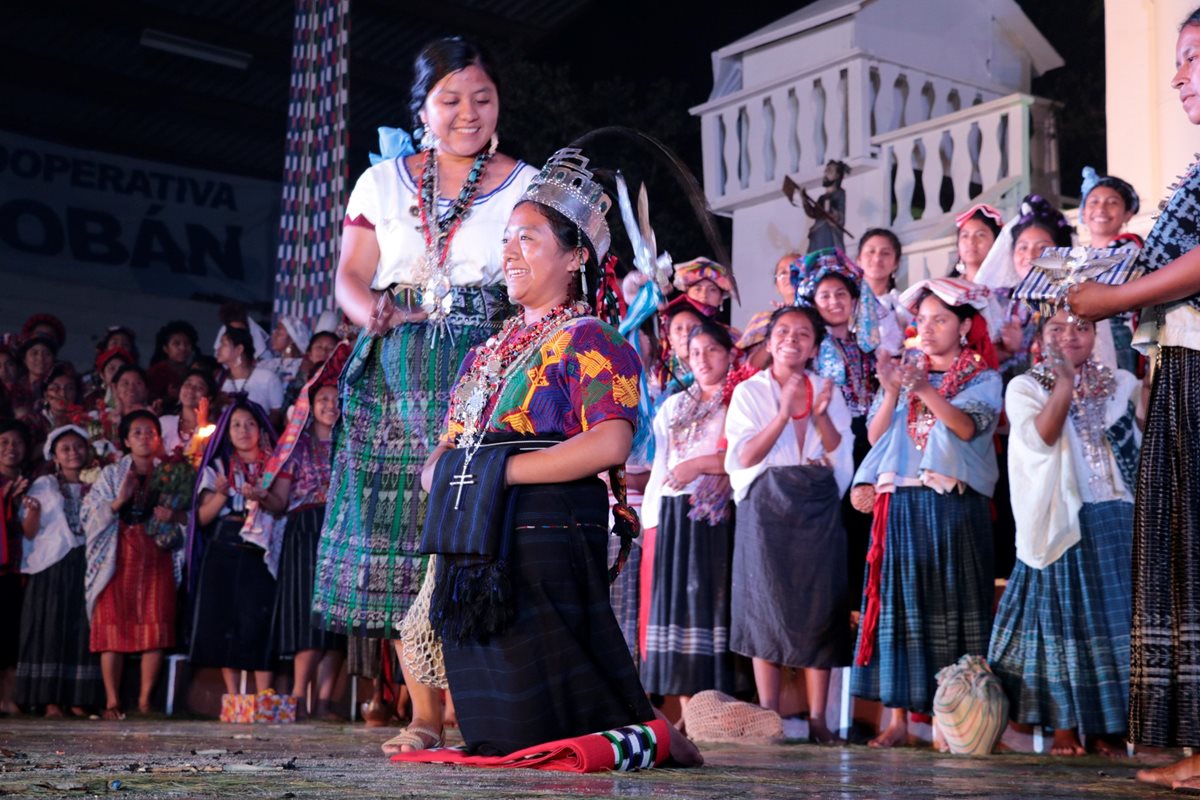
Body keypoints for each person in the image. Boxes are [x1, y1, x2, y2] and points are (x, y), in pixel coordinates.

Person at [416, 147, 700, 765]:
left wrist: (499, 472)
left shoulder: (592, 340)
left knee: (556, 716)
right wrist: (443, 473)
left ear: (575, 258)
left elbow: (610, 442)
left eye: (529, 238)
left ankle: (654, 735)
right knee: (502, 731)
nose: (509, 251)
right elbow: (444, 449)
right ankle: (649, 732)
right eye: (506, 238)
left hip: (540, 532)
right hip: (475, 536)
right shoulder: (484, 352)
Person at [311, 36, 536, 750]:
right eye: (450, 100)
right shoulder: (380, 184)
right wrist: (366, 310)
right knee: (406, 543)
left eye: (481, 97)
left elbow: (537, 272)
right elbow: (352, 275)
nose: (468, 113)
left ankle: (477, 708)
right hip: (399, 371)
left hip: (487, 365)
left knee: (474, 540)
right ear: (422, 108)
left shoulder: (526, 182)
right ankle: (421, 715)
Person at [1066, 9, 1200, 787]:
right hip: (1183, 363)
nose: (1178, 74)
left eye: (1190, 58)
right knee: (1181, 547)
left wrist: (1113, 301)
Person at [850, 277, 1001, 748]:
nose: (928, 329)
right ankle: (898, 721)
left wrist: (923, 389)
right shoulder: (907, 371)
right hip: (905, 498)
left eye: (940, 320)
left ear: (964, 326)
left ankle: (951, 723)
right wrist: (894, 390)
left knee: (954, 606)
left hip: (954, 501)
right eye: (922, 320)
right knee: (903, 606)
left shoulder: (983, 376)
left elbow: (965, 425)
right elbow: (876, 436)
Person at [987, 309, 1138, 756]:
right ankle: (1064, 727)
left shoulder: (1120, 383)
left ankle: (1107, 728)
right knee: (1064, 627)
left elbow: (1135, 453)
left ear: (1096, 336)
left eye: (1082, 327)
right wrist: (1065, 382)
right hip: (1059, 518)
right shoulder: (1025, 386)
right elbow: (1041, 439)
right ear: (1039, 339)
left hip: (1116, 515)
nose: (1071, 335)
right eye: (1057, 328)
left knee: (1114, 630)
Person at [724, 305, 854, 744]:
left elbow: (840, 454)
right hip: (765, 505)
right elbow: (742, 457)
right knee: (765, 604)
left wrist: (817, 415)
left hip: (817, 504)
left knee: (822, 606)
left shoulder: (829, 391)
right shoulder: (749, 393)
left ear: (815, 346)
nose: (791, 339)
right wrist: (781, 413)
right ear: (769, 340)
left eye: (802, 333)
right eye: (783, 331)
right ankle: (769, 716)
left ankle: (819, 719)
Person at [640, 319, 739, 711]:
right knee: (676, 609)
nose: (703, 359)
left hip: (716, 512)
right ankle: (686, 710)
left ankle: (715, 707)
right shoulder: (674, 404)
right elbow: (661, 462)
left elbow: (742, 456)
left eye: (712, 350)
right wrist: (652, 517)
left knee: (709, 604)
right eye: (695, 352)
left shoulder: (739, 399)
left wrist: (699, 464)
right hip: (673, 510)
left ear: (729, 354)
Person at [795, 248, 884, 603]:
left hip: (870, 441)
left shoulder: (872, 348)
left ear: (854, 300)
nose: (834, 302)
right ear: (813, 301)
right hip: (826, 440)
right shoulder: (810, 349)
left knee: (866, 529)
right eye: (825, 295)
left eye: (841, 294)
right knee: (833, 530)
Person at [261, 359, 347, 720]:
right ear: (310, 408)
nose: (330, 405)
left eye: (335, 398)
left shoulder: (350, 444)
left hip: (343, 529)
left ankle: (325, 702)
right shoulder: (296, 447)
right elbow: (279, 500)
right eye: (322, 399)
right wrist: (260, 495)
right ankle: (297, 699)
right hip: (306, 527)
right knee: (305, 612)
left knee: (338, 617)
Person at [82, 411, 178, 719]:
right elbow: (89, 515)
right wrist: (117, 502)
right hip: (117, 553)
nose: (144, 437)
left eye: (150, 432)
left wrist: (171, 516)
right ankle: (112, 702)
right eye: (137, 432)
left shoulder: (170, 473)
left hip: (155, 554)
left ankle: (145, 701)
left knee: (155, 623)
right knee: (112, 624)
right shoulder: (111, 474)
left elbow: (185, 515)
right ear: (125, 440)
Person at [187, 399, 279, 698]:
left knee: (259, 619)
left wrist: (264, 495)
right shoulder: (217, 466)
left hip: (260, 549)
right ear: (227, 432)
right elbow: (201, 518)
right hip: (224, 546)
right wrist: (220, 495)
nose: (243, 430)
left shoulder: (275, 466)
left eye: (250, 424)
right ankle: (234, 699)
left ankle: (264, 697)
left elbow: (283, 505)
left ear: (261, 429)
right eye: (236, 425)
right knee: (226, 620)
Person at [16, 425, 103, 716]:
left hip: (86, 562)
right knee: (49, 629)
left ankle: (78, 698)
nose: (73, 452)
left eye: (78, 446)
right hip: (51, 565)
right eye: (65, 448)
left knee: (81, 629)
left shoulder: (99, 483)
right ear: (55, 456)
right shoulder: (43, 486)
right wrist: (34, 512)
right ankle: (50, 699)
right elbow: (28, 533)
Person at [0, 420, 32, 715]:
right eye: (5, 442)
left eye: (17, 443)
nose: (11, 448)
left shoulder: (32, 482)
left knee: (10, 636)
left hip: (15, 572)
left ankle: (8, 700)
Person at [215, 327, 284, 429]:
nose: (218, 348)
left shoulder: (267, 378)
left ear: (239, 349)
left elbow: (277, 413)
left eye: (223, 344)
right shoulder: (220, 379)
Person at [857, 228, 909, 349]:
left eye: (885, 253)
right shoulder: (846, 303)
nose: (877, 258)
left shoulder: (903, 306)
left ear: (896, 263)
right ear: (858, 260)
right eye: (871, 251)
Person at [159, 370, 216, 455]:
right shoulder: (164, 422)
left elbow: (208, 456)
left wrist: (202, 424)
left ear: (209, 398)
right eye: (188, 384)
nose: (191, 389)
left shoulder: (213, 429)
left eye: (199, 387)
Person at [146, 320, 199, 407]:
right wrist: (169, 398)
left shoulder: (194, 371)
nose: (183, 348)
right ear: (165, 348)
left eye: (187, 344)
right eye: (176, 344)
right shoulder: (156, 371)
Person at [950, 203, 1003, 282]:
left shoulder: (1008, 289)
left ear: (996, 242)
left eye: (980, 235)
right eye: (965, 235)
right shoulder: (944, 290)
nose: (971, 241)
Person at [260, 317, 310, 385]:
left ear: (292, 339)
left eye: (279, 333)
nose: (273, 335)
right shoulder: (269, 363)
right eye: (275, 332)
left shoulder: (302, 365)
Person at [18, 336, 57, 404]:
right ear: (24, 359)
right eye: (34, 353)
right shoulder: (15, 384)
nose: (40, 358)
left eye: (47, 354)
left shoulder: (60, 387)